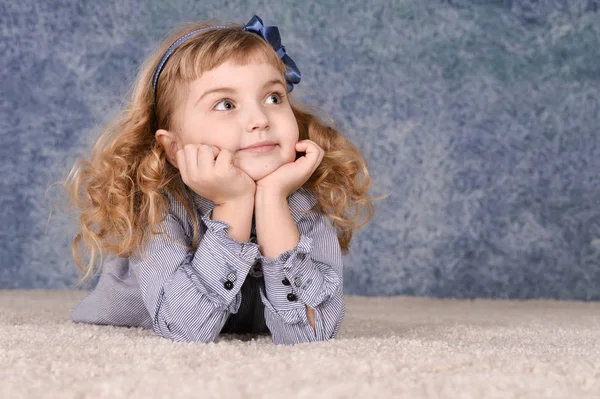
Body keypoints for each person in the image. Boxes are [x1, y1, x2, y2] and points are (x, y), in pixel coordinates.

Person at [65, 15, 374, 345]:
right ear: (173, 148)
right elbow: (186, 331)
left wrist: (271, 201)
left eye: (273, 97)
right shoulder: (157, 206)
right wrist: (233, 203)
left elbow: (312, 334)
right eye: (226, 104)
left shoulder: (302, 200)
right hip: (134, 324)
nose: (259, 119)